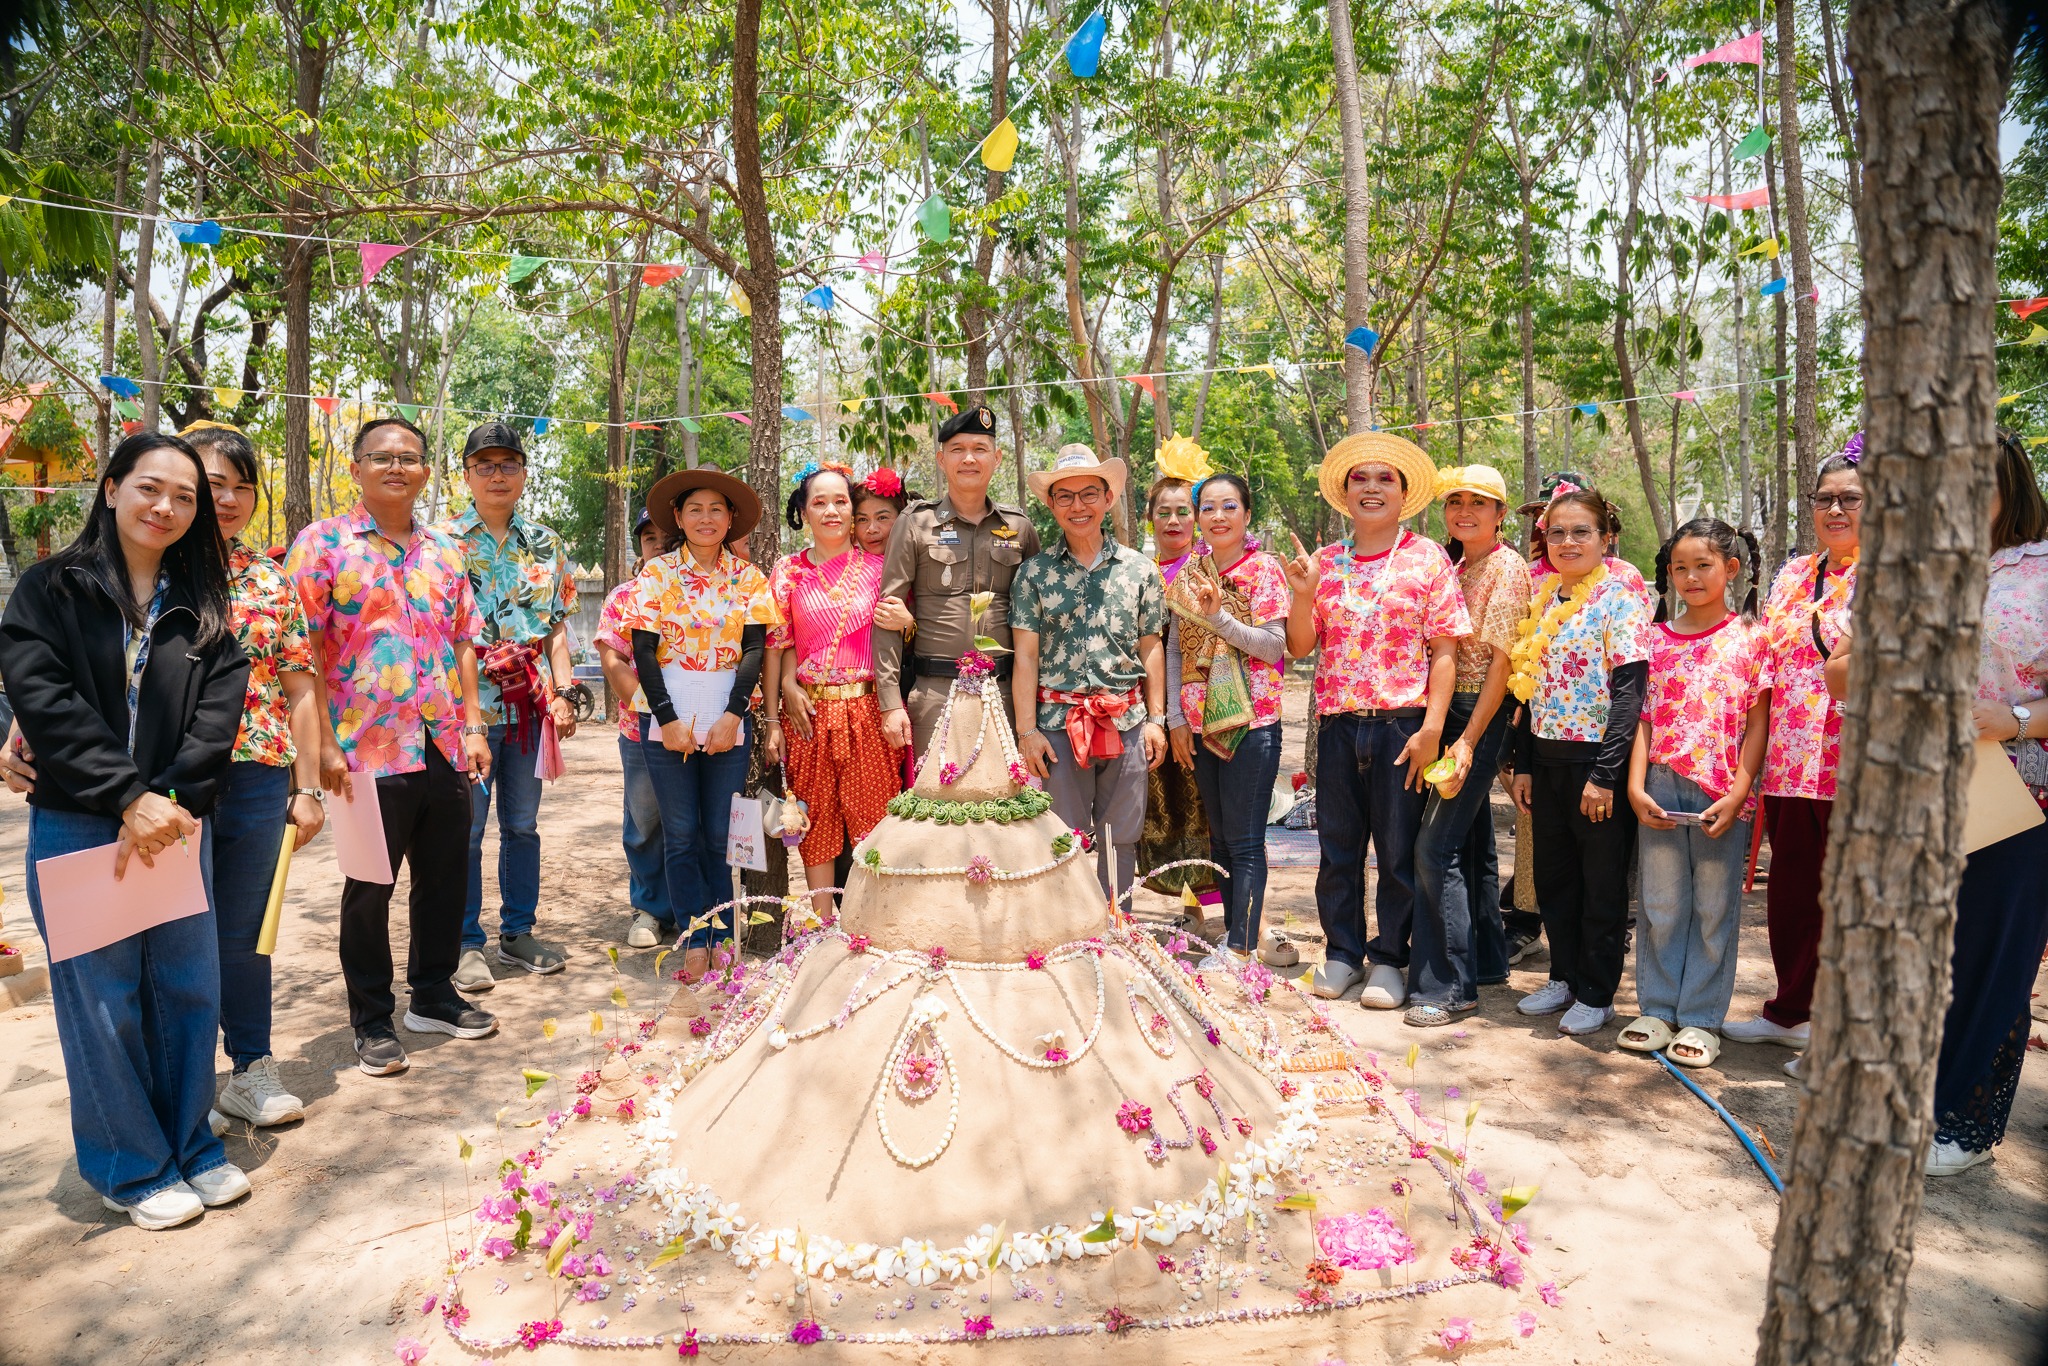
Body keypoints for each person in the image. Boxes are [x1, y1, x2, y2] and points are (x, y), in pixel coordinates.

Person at [0, 431, 252, 1229]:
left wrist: (166, 801)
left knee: (187, 989)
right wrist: (124, 797)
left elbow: (218, 716)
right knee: (103, 1002)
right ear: (111, 489)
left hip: (174, 823)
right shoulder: (49, 589)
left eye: (185, 497)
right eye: (149, 488)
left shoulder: (205, 606)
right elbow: (43, 699)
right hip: (79, 823)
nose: (165, 507)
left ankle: (192, 1146)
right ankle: (131, 1165)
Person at [287, 416, 498, 1078]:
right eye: (381, 457)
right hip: (362, 746)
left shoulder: (445, 551)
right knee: (370, 885)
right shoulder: (321, 544)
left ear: (426, 472)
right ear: (356, 468)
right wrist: (321, 744)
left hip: (441, 740)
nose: (396, 467)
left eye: (409, 458)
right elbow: (301, 649)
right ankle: (372, 1018)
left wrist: (473, 724)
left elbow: (463, 639)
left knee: (446, 875)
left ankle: (433, 994)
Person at [1283, 433, 1468, 1007]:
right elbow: (1300, 645)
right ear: (1344, 493)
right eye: (1359, 478)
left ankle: (1389, 959)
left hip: (1401, 727)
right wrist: (1303, 594)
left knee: (1396, 850)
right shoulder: (1325, 562)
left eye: (1385, 478)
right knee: (1338, 849)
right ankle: (1342, 953)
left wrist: (1432, 729)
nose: (1371, 488)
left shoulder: (1427, 557)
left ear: (1404, 493)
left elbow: (1445, 651)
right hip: (1338, 725)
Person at [1925, 429, 2048, 1174]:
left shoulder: (2043, 572)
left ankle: (1965, 1126)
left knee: (1991, 958)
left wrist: (2019, 719)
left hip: (2016, 792)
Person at [1724, 438, 1862, 1053]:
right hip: (1788, 759)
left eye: (1851, 498)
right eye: (1824, 498)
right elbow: (1766, 656)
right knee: (1792, 895)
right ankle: (1790, 1013)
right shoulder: (1794, 574)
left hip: (1854, 762)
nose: (1835, 510)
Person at [615, 467, 777, 982]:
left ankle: (723, 934)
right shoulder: (656, 575)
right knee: (681, 833)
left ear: (730, 519)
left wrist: (733, 715)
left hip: (729, 720)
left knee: (717, 835)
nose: (706, 518)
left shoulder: (750, 579)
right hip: (667, 722)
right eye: (695, 510)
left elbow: (754, 651)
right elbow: (643, 650)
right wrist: (667, 719)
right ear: (678, 518)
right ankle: (692, 936)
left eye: (716, 510)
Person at [1620, 519, 1767, 1067]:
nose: (1690, 577)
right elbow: (1642, 720)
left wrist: (1740, 792)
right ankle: (1657, 1009)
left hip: (1722, 790)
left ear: (1731, 568)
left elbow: (1758, 723)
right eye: (1679, 567)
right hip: (1659, 785)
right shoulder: (1655, 639)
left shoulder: (1752, 638)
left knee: (1713, 906)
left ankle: (1703, 1019)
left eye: (1703, 565)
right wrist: (1635, 786)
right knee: (1660, 903)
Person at [1506, 487, 1650, 1037]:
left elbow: (1630, 695)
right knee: (1555, 877)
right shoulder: (1545, 596)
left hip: (1596, 764)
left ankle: (1596, 991)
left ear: (1605, 538)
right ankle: (1563, 977)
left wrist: (1606, 776)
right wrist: (1523, 765)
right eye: (1557, 532)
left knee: (1601, 883)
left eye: (1581, 532)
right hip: (1545, 760)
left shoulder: (1620, 598)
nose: (1567, 542)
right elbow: (1528, 689)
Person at [440, 421, 578, 989]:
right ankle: (464, 943)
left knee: (522, 826)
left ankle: (518, 933)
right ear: (467, 474)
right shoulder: (441, 542)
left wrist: (564, 693)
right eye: (485, 466)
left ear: (524, 473)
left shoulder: (547, 543)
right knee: (465, 831)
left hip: (528, 711)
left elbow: (558, 628)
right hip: (464, 714)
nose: (497, 476)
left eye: (509, 465)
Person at [1012, 445, 1168, 897]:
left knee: (1121, 836)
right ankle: (1070, 928)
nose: (1077, 506)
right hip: (1058, 725)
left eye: (1088, 494)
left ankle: (1115, 925)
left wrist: (1156, 720)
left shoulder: (1140, 570)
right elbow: (1026, 657)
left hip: (1127, 721)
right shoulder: (1033, 574)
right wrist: (1027, 731)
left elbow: (1151, 647)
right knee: (1063, 838)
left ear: (1108, 498)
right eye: (1065, 496)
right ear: (1051, 504)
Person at [1405, 466, 1530, 1027]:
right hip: (1451, 705)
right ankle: (1485, 960)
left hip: (1482, 709)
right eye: (1455, 501)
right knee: (1473, 840)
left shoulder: (1507, 567)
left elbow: (1501, 664)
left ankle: (1450, 987)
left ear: (1500, 514)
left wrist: (1468, 741)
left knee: (1435, 847)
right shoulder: (1452, 566)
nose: (1464, 511)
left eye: (1479, 502)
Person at [763, 462, 899, 918]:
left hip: (868, 710)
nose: (832, 511)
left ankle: (871, 923)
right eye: (819, 502)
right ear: (803, 512)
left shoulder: (880, 568)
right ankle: (821, 925)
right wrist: (778, 704)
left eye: (841, 501)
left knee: (874, 816)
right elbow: (778, 644)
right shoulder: (788, 572)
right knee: (815, 817)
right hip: (807, 714)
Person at [1164, 471, 1288, 959]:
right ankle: (1235, 939)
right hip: (1199, 725)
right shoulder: (1189, 573)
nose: (1218, 516)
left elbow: (1273, 646)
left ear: (1247, 514)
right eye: (1208, 508)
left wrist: (1218, 618)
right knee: (1219, 842)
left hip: (1251, 726)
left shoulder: (1264, 570)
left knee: (1245, 841)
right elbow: (1175, 649)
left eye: (1229, 506)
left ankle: (1240, 948)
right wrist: (1176, 718)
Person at [874, 405, 1041, 759]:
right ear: (941, 459)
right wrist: (890, 702)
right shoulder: (915, 523)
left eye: (980, 449)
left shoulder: (1019, 527)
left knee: (1007, 793)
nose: (969, 458)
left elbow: (1036, 620)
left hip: (1005, 693)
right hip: (935, 694)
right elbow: (888, 615)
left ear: (996, 458)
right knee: (936, 793)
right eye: (957, 449)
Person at [1138, 474, 1221, 921]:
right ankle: (1193, 910)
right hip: (1153, 709)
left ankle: (1248, 913)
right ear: (1149, 518)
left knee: (1214, 808)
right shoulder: (1139, 573)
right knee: (1171, 805)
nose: (1173, 520)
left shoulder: (1214, 568)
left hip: (1208, 706)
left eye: (1182, 511)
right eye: (1163, 512)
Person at [600, 509, 670, 948]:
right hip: (641, 728)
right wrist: (656, 714)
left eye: (667, 536)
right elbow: (613, 659)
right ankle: (649, 909)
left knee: (696, 820)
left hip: (703, 729)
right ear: (638, 545)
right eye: (649, 537)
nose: (659, 544)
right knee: (644, 821)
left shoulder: (702, 590)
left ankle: (697, 908)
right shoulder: (624, 597)